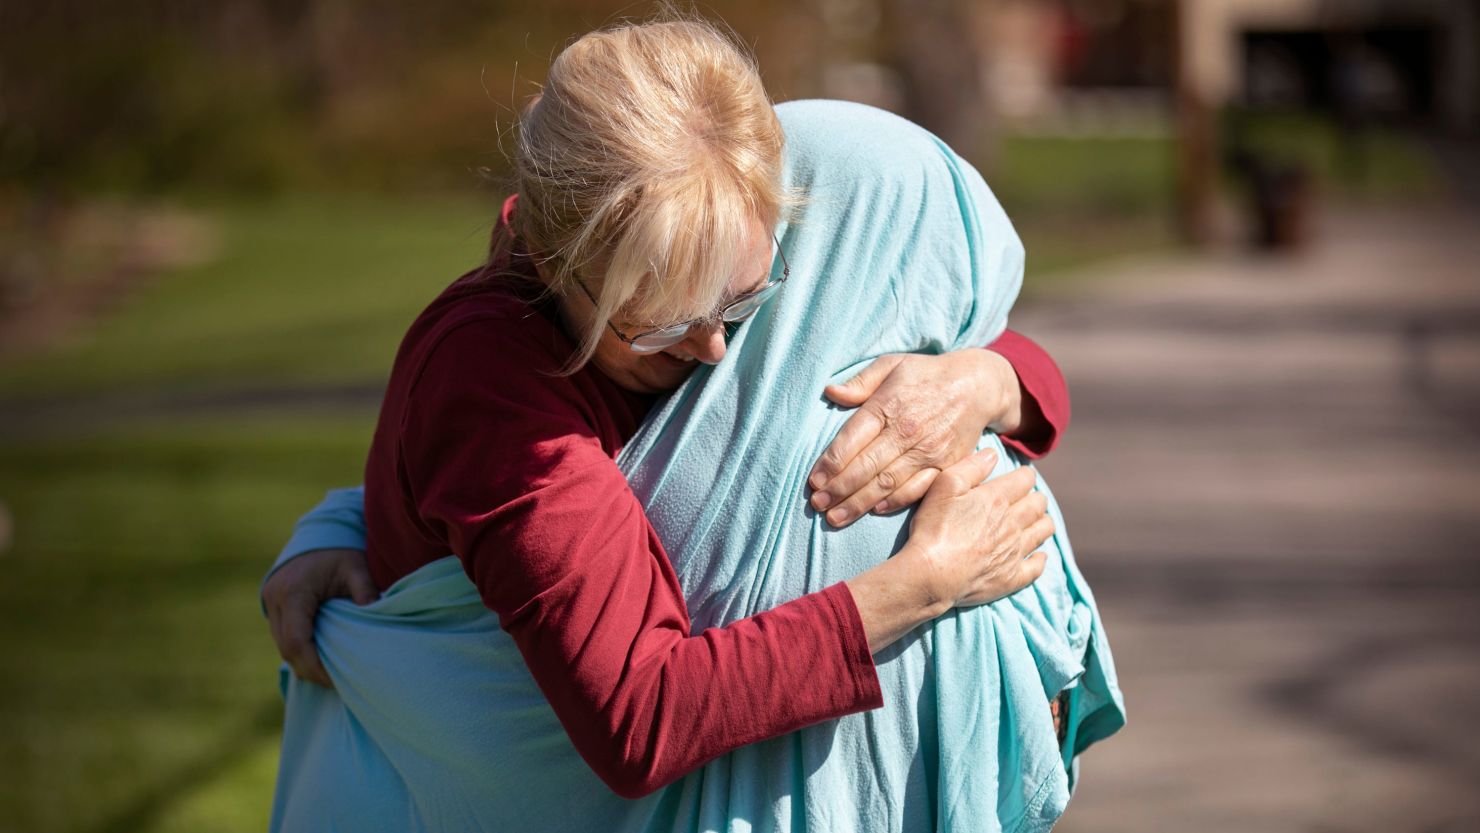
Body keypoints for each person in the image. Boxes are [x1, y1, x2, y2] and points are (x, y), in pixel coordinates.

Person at [263, 18, 1122, 832]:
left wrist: (983, 381)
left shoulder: (688, 252)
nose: (715, 348)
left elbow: (1010, 357)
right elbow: (640, 717)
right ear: (557, 261)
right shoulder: (496, 385)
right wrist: (924, 582)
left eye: (746, 302)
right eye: (667, 325)